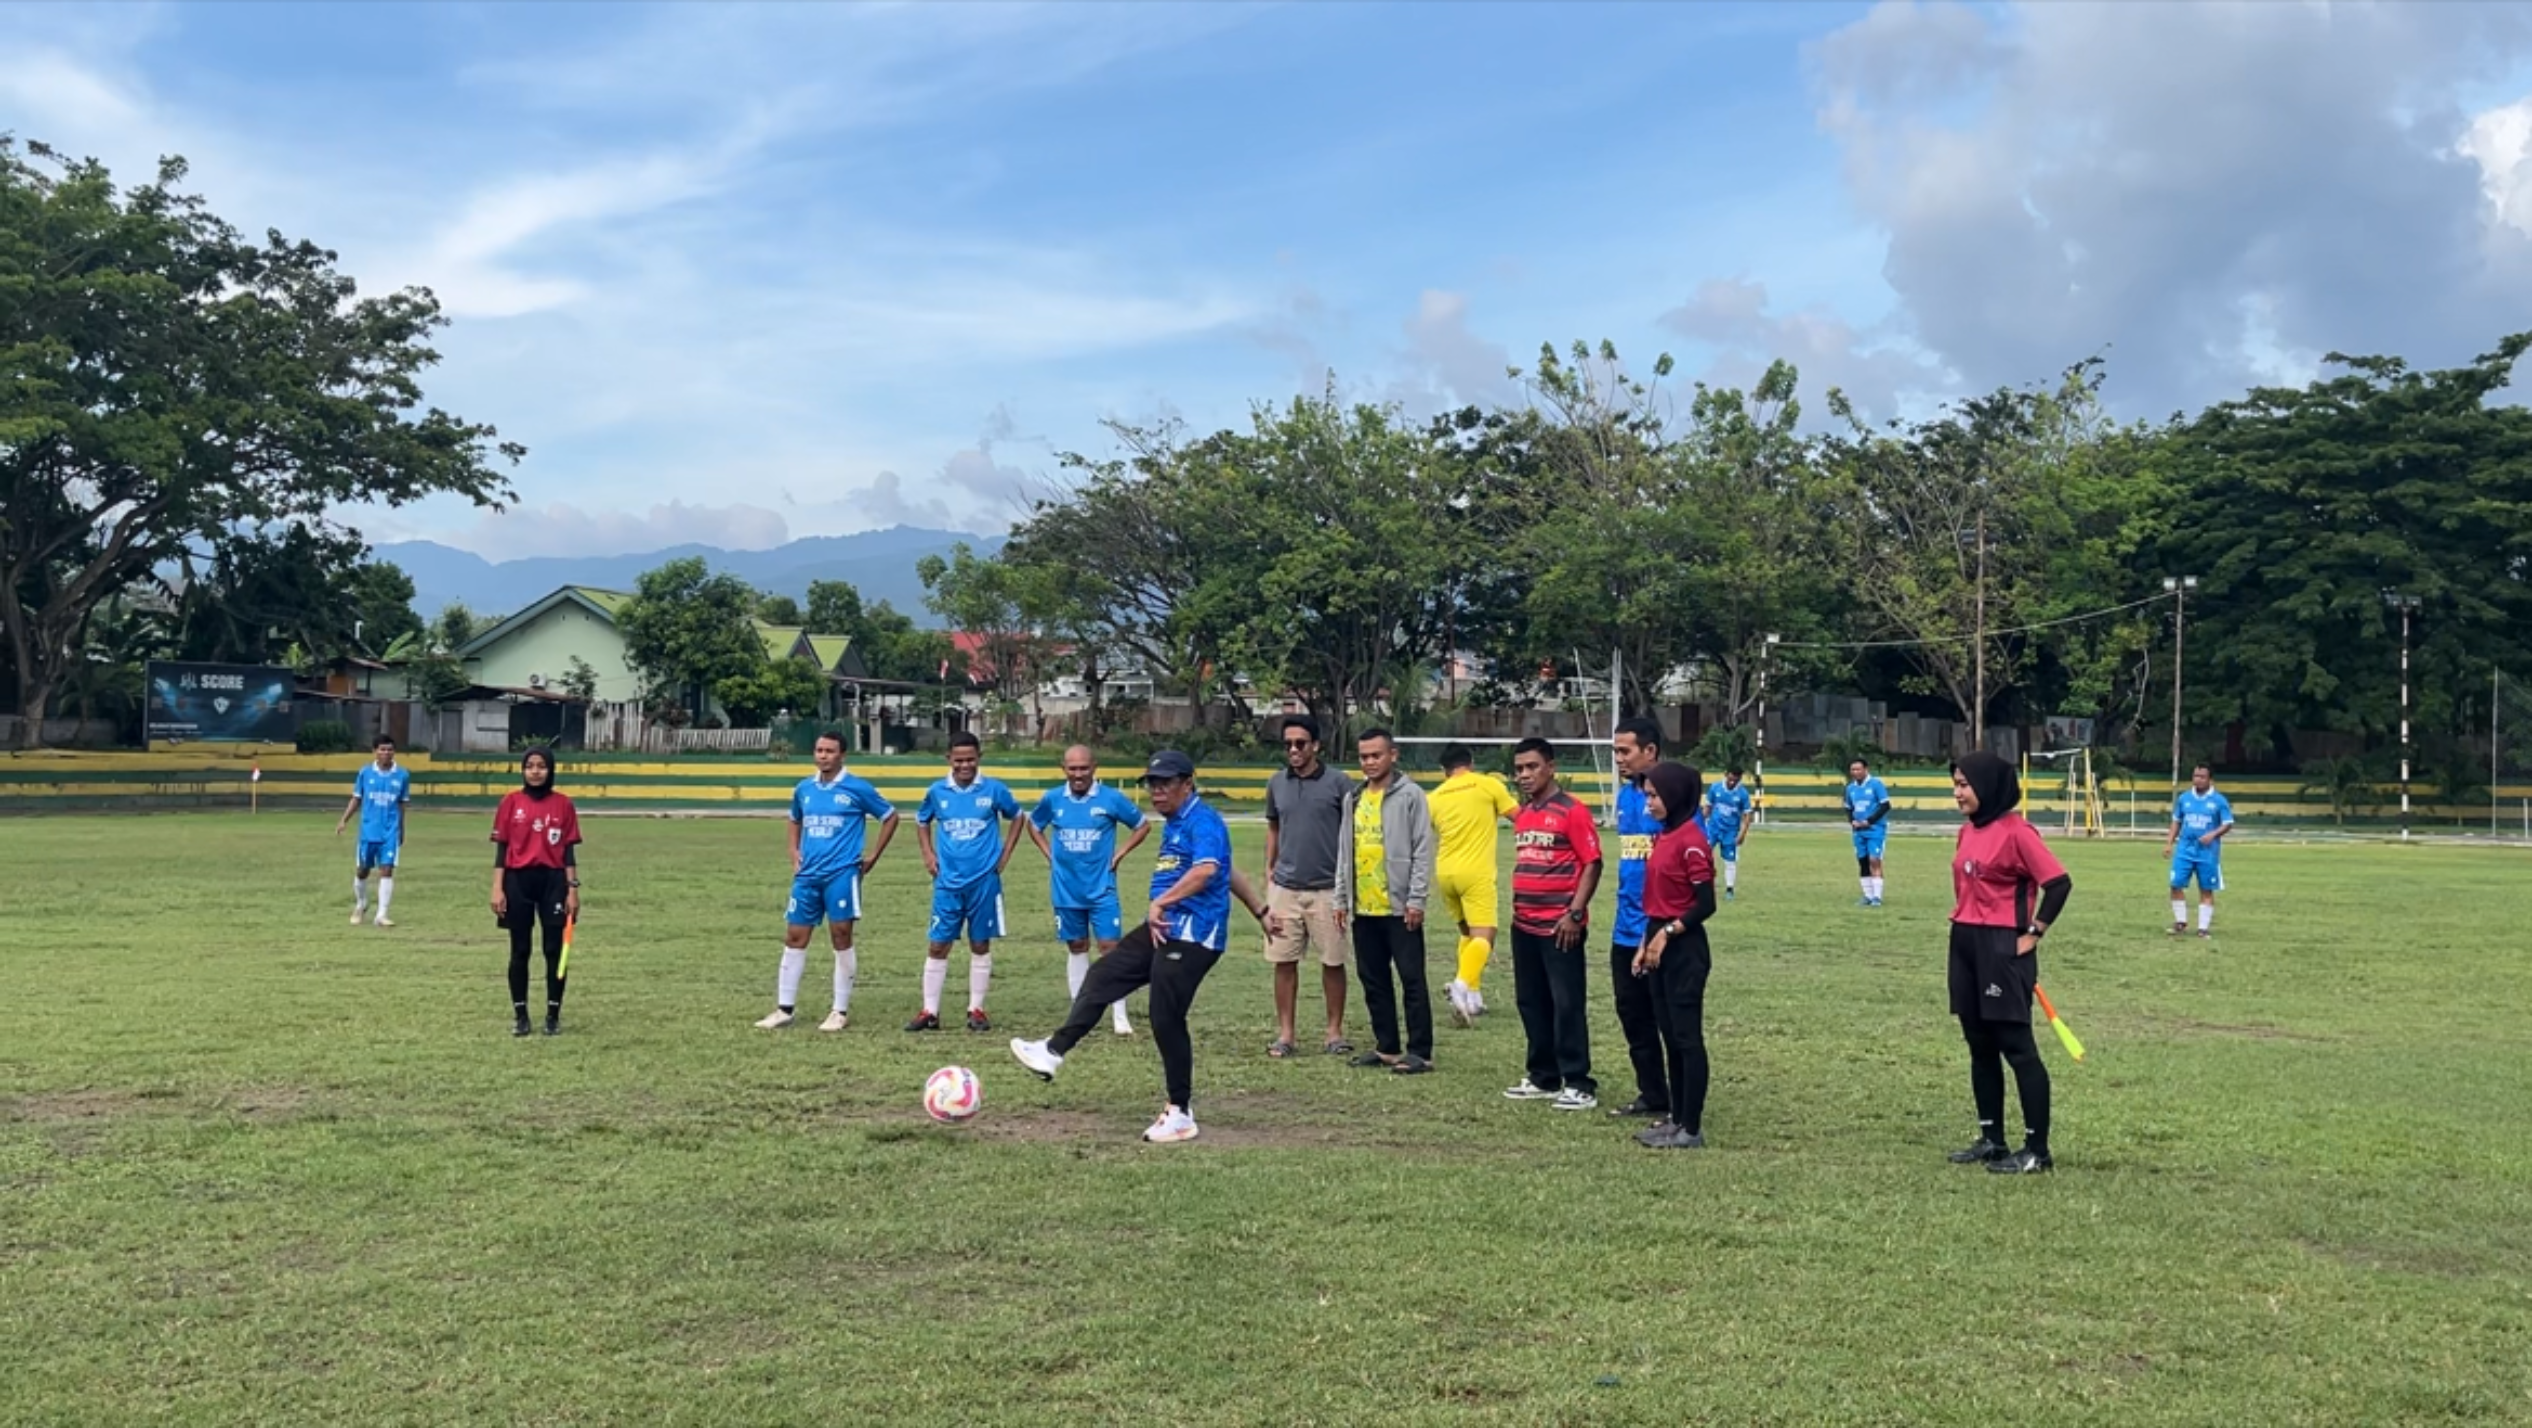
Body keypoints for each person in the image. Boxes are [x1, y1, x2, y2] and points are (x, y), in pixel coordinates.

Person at [1010, 750, 1273, 1144]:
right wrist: (1261, 911)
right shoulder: (1178, 821)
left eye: (1165, 783)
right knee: (1104, 973)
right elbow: (1226, 866)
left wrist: (1162, 902)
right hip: (1166, 928)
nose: (1157, 791)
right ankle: (1053, 1051)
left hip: (1193, 934)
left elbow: (1207, 870)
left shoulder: (1203, 820)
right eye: (1152, 784)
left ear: (1188, 784)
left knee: (1165, 1016)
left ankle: (1180, 1112)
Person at [1944, 751, 2073, 1176]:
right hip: (1965, 942)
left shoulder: (2018, 833)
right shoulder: (1968, 830)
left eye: (1964, 785)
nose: (1957, 792)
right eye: (1956, 784)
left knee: (2017, 1048)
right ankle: (1992, 1140)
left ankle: (2037, 1150)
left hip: (2002, 947)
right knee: (1979, 1045)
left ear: (1988, 786)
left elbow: (2058, 883)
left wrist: (2033, 933)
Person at [757, 729, 899, 1031]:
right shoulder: (804, 788)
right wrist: (793, 851)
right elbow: (795, 818)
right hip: (808, 875)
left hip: (842, 874)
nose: (823, 756)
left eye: (830, 751)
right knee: (795, 936)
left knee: (841, 935)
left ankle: (839, 1011)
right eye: (819, 750)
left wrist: (873, 855)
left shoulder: (857, 788)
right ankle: (784, 1009)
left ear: (842, 755)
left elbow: (890, 816)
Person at [1503, 738, 1604, 1112]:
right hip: (1524, 924)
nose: (1524, 775)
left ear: (1550, 767)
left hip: (1560, 927)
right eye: (1519, 769)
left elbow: (1592, 862)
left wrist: (1575, 914)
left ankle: (1578, 1082)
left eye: (1532, 767)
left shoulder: (1572, 811)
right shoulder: (1525, 814)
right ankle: (1543, 1076)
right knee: (1531, 1002)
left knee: (1566, 1004)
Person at [1027, 744, 1151, 1037]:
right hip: (1066, 889)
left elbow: (1142, 826)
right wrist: (1049, 854)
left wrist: (1120, 854)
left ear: (1094, 767)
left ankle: (1119, 1016)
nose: (1078, 774)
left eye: (1084, 768)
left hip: (1101, 888)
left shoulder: (1110, 798)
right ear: (1063, 769)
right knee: (1077, 945)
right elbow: (1034, 825)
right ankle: (1079, 1012)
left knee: (1110, 948)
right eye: (1073, 768)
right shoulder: (1053, 799)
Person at [1333, 729, 1439, 1073]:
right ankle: (1387, 1047)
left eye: (1376, 755)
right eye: (1364, 756)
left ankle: (1420, 1051)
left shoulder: (1411, 795)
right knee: (1373, 979)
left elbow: (1422, 849)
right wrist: (1341, 898)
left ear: (1393, 755)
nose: (1369, 762)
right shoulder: (1353, 798)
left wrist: (1416, 899)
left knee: (1411, 978)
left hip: (1399, 907)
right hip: (1364, 906)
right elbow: (1344, 851)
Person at [1629, 762, 1720, 1150]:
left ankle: (1691, 1127)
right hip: (1658, 940)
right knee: (1669, 1035)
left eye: (1654, 796)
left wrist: (1666, 934)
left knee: (1686, 1038)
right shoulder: (1665, 835)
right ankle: (1677, 1119)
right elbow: (1658, 900)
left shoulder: (1692, 840)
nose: (1648, 803)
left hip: (1683, 948)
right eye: (1647, 795)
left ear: (1675, 795)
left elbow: (1705, 904)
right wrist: (1645, 943)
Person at [910, 731, 1024, 1032]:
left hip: (984, 880)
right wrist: (928, 854)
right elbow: (922, 821)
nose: (965, 766)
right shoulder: (937, 791)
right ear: (948, 759)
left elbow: (1017, 817)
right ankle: (929, 1011)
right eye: (958, 760)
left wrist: (1005, 854)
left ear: (979, 758)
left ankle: (976, 1010)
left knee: (980, 943)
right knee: (938, 944)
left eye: (970, 759)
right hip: (948, 882)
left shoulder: (994, 789)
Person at [1263, 714, 1354, 1058]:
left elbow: (1352, 832)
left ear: (1316, 745)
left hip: (1329, 889)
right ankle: (1286, 1035)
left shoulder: (1339, 783)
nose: (1293, 750)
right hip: (1285, 889)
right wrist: (1269, 868)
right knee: (1283, 962)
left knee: (1333, 962)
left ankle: (1334, 1033)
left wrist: (1346, 885)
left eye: (1300, 743)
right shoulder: (1277, 783)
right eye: (1287, 744)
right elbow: (1274, 826)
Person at [489, 747, 582, 1037]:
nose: (535, 771)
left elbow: (568, 852)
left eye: (541, 766)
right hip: (517, 881)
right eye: (530, 766)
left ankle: (553, 1016)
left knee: (553, 950)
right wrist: (497, 888)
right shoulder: (510, 802)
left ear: (550, 770)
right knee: (520, 950)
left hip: (553, 881)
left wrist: (572, 890)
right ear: (523, 770)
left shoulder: (563, 804)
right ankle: (521, 1016)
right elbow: (502, 850)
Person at [1604, 717, 1669, 1120]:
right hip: (1624, 929)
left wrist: (1661, 927)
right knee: (1633, 1015)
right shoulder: (1626, 798)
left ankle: (1682, 1102)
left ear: (1650, 751)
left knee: (1669, 1019)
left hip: (1660, 929)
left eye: (1624, 751)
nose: (1618, 759)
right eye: (1615, 751)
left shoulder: (1671, 796)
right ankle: (1652, 1093)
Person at [1429, 743, 1518, 1026]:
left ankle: (1473, 998)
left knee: (1467, 933)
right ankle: (1461, 984)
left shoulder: (1434, 796)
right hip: (1475, 873)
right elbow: (1519, 816)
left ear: (1444, 770)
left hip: (1445, 873)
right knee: (1485, 936)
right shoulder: (1487, 784)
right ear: (1471, 763)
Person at [336, 736, 410, 927]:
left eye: (390, 749)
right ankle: (361, 903)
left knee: (387, 869)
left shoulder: (402, 775)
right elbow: (356, 798)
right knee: (363, 871)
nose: (386, 753)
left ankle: (381, 915)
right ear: (375, 751)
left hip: (390, 831)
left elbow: (401, 804)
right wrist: (344, 820)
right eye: (382, 749)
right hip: (368, 831)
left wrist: (401, 829)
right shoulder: (365, 773)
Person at [2165, 763, 2235, 938]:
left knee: (2206, 888)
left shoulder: (2219, 800)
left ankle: (2203, 929)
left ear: (2210, 779)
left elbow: (2227, 824)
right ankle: (2180, 922)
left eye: (2202, 777)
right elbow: (2176, 821)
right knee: (2175, 884)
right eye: (2195, 776)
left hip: (2207, 853)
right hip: (2185, 850)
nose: (2198, 780)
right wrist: (2169, 843)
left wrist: (2213, 834)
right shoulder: (2184, 798)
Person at [1844, 756, 1892, 906]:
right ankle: (1867, 896)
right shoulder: (1850, 788)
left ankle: (1877, 897)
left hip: (1875, 829)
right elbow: (1848, 808)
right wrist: (1852, 821)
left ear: (1866, 769)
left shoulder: (1876, 784)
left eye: (1858, 769)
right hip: (1858, 831)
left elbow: (1885, 805)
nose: (1855, 772)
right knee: (1863, 862)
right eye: (1853, 769)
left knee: (1874, 860)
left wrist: (1869, 821)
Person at [1702, 767, 1755, 901]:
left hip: (1730, 831)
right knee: (1703, 856)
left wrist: (1742, 834)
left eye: (1735, 780)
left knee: (1730, 860)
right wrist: (1699, 825)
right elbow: (1708, 807)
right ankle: (1703, 885)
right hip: (1713, 829)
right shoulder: (1715, 788)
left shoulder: (1742, 794)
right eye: (1730, 779)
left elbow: (1747, 815)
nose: (1732, 783)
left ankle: (1729, 889)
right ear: (1726, 775)